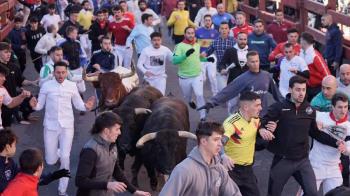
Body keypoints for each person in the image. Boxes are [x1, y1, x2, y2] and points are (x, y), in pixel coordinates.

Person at [259, 75, 340, 196]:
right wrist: (262, 129)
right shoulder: (278, 108)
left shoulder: (309, 110)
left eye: (303, 89)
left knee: (312, 193)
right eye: (298, 89)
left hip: (302, 161)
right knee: (273, 193)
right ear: (290, 89)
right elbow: (261, 122)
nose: (301, 93)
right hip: (283, 160)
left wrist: (336, 142)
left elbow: (315, 133)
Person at [29, 61, 95, 196]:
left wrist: (86, 106)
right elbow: (39, 106)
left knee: (65, 158)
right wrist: (34, 105)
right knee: (50, 160)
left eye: (63, 72)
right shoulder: (46, 86)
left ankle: (62, 190)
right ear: (54, 73)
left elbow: (78, 104)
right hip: (50, 126)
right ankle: (57, 153)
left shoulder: (72, 86)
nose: (60, 75)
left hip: (67, 126)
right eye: (58, 72)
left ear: (66, 72)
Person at [76, 111, 151, 196]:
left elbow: (116, 170)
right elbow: (80, 181)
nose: (120, 132)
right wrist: (107, 185)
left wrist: (134, 191)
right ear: (106, 131)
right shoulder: (90, 151)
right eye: (117, 129)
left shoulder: (112, 145)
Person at [159, 122, 242, 196]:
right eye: (216, 140)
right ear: (203, 141)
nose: (220, 144)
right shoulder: (183, 170)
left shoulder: (219, 169)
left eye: (220, 140)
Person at [222, 91, 277, 196]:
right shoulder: (231, 123)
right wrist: (223, 155)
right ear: (246, 107)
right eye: (257, 105)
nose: (261, 108)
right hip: (231, 171)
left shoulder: (255, 119)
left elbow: (259, 124)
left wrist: (262, 130)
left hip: (247, 171)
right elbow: (220, 142)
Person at [198, 51, 283, 116]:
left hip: (263, 115)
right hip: (247, 116)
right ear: (247, 63)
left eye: (257, 61)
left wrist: (288, 104)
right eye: (252, 62)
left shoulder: (266, 76)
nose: (255, 64)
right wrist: (211, 103)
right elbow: (228, 91)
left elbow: (277, 94)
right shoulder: (243, 78)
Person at [0, 129, 70, 192]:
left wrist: (52, 176)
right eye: (14, 145)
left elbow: (27, 175)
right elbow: (23, 182)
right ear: (8, 147)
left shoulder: (10, 161)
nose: (15, 148)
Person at [308, 93, 350, 194]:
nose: (343, 110)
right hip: (315, 164)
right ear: (332, 107)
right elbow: (305, 111)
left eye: (345, 107)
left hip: (334, 167)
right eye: (340, 107)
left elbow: (349, 148)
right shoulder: (319, 116)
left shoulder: (349, 126)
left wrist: (346, 149)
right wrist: (312, 123)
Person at [172, 27, 214, 121]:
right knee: (187, 97)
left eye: (192, 33)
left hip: (197, 75)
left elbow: (197, 58)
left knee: (199, 95)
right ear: (185, 34)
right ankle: (190, 101)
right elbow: (174, 61)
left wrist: (207, 59)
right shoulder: (179, 46)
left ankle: (203, 117)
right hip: (184, 77)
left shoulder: (197, 45)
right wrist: (185, 55)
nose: (191, 35)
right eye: (188, 33)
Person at [0, 42, 36, 127]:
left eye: (9, 52)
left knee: (6, 129)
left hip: (11, 101)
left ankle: (22, 116)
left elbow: (21, 81)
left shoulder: (14, 67)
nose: (9, 54)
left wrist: (32, 82)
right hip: (2, 104)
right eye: (6, 52)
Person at [202, 21, 235, 91]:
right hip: (220, 69)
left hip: (232, 70)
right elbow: (207, 51)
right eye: (222, 28)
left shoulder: (234, 41)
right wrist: (203, 54)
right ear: (219, 30)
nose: (224, 30)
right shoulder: (215, 41)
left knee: (232, 91)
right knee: (222, 91)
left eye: (226, 28)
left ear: (229, 29)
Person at [299, 32, 330, 101]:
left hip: (318, 88)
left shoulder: (315, 56)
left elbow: (326, 73)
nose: (299, 42)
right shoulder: (302, 53)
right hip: (307, 86)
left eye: (300, 40)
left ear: (304, 41)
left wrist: (328, 89)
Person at [59, 26, 87, 94]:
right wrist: (62, 60)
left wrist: (83, 67)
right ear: (70, 34)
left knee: (82, 89)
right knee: (71, 90)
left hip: (79, 68)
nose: (77, 35)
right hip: (69, 70)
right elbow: (57, 55)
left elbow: (83, 55)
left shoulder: (78, 43)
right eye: (75, 33)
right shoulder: (62, 44)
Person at [195, 15, 219, 95]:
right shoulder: (198, 31)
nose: (208, 22)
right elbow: (193, 44)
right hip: (201, 57)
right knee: (203, 78)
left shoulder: (215, 32)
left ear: (211, 22)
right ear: (203, 21)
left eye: (209, 20)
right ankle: (200, 94)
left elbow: (217, 45)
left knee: (212, 77)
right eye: (206, 20)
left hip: (211, 57)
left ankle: (215, 94)